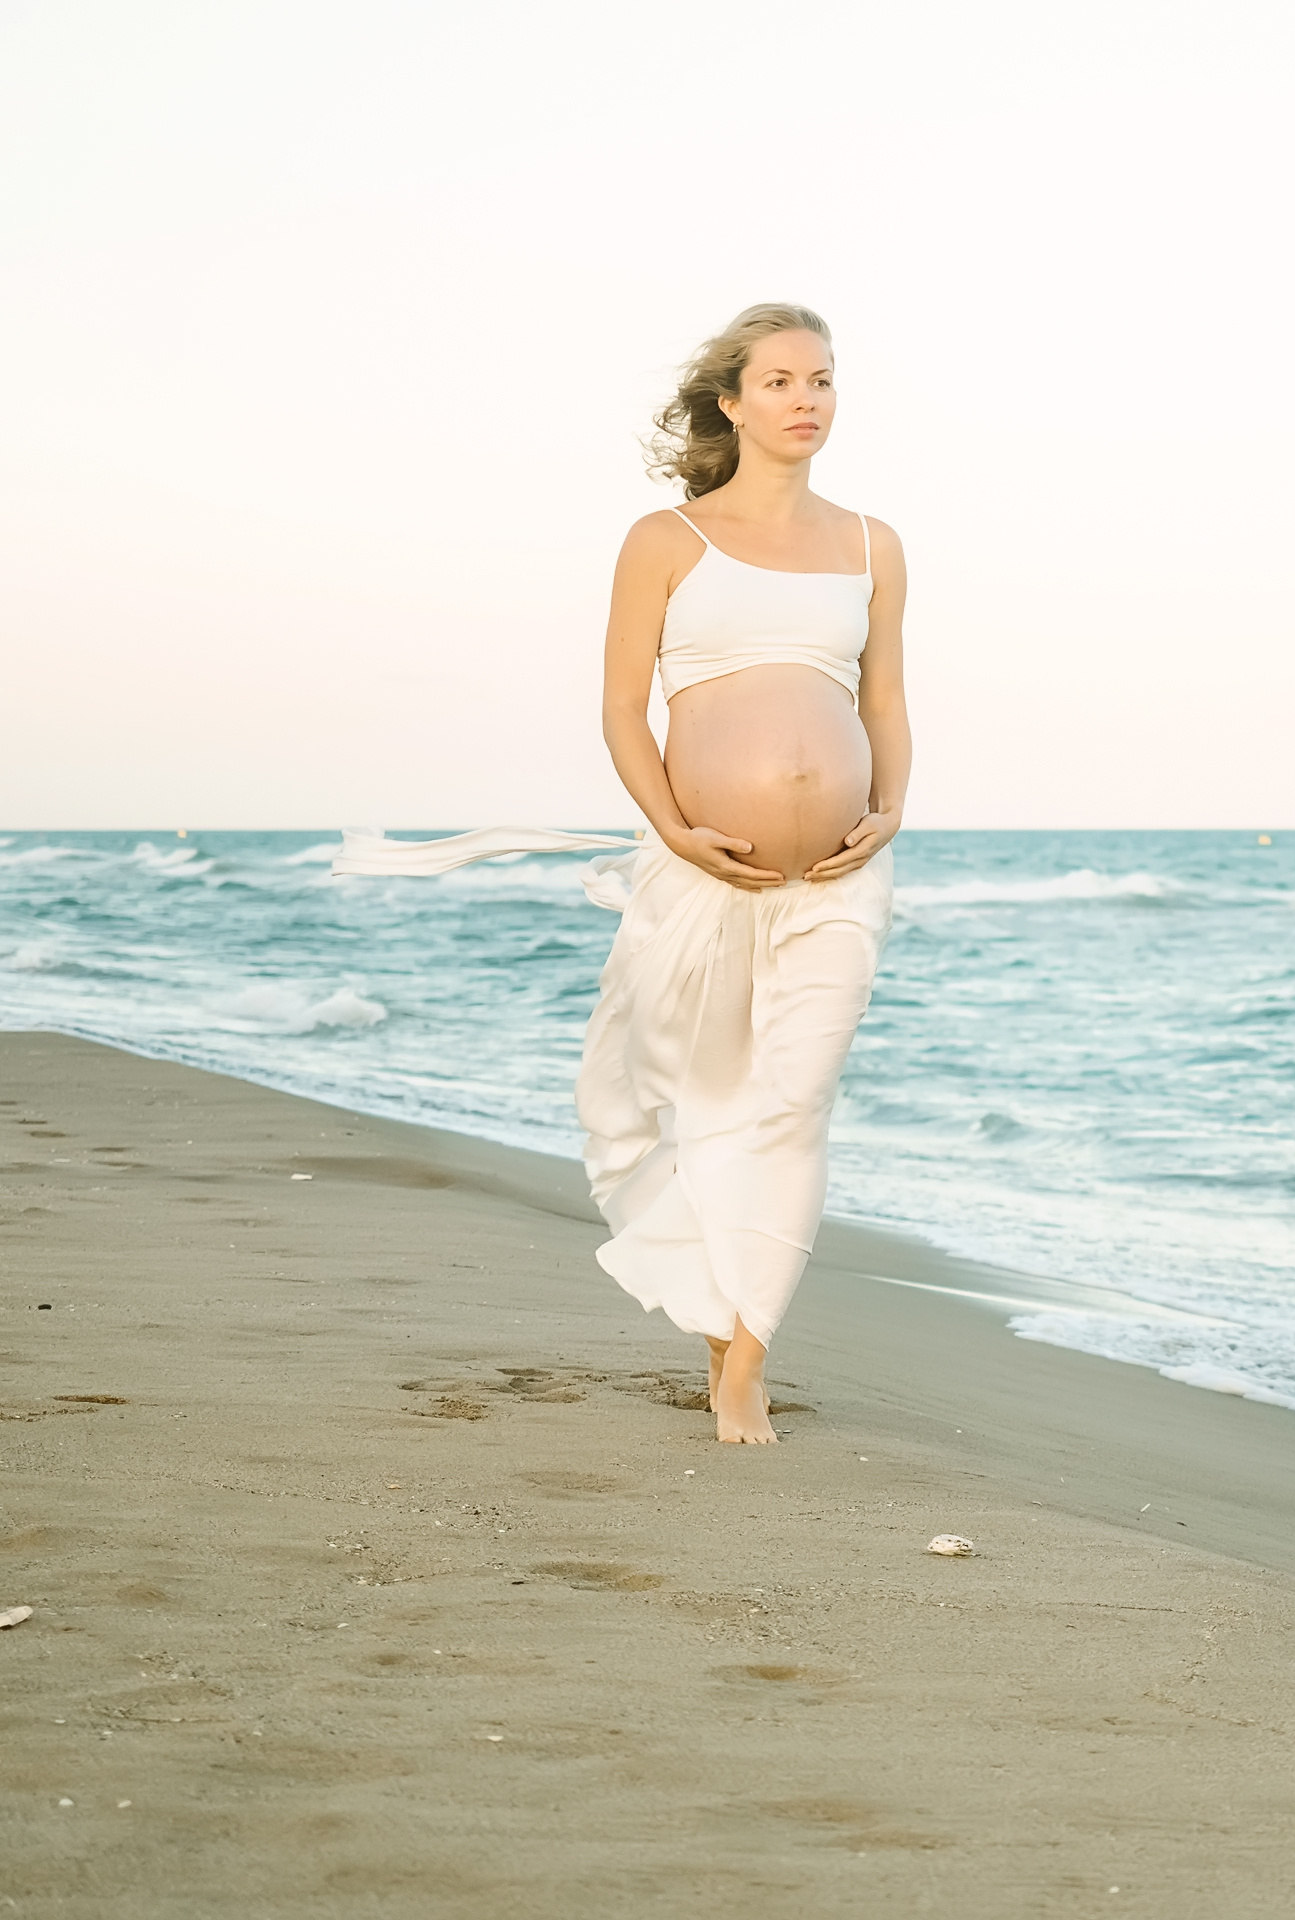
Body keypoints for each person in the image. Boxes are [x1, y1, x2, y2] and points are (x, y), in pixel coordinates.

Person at [333, 302, 908, 1444]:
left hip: (837, 880)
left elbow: (883, 700)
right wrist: (676, 828)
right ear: (733, 402)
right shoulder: (667, 541)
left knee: (793, 1104)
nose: (807, 401)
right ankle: (713, 1313)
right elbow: (618, 709)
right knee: (688, 1096)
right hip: (698, 871)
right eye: (783, 381)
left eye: (824, 381)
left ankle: (744, 1357)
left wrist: (889, 811)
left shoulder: (871, 543)